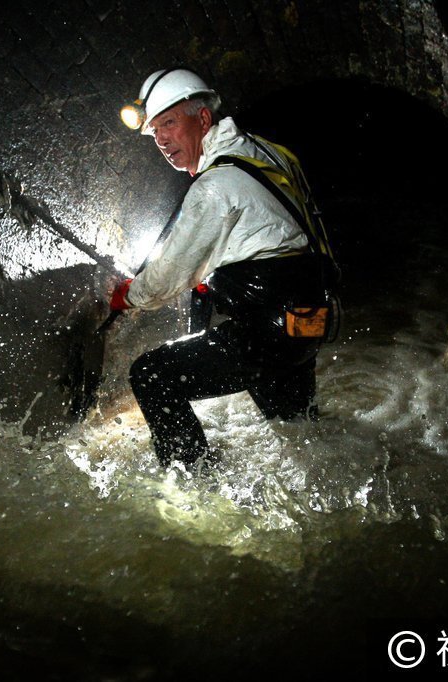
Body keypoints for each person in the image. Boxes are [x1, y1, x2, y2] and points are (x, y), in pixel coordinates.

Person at [110, 68, 336, 468]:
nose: (161, 139)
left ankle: (195, 487)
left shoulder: (214, 186)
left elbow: (164, 279)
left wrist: (126, 296)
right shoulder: (269, 152)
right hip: (310, 318)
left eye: (169, 123)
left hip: (267, 328)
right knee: (302, 436)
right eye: (155, 131)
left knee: (151, 376)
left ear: (202, 119)